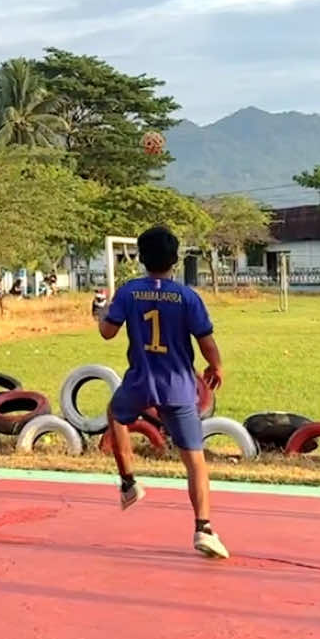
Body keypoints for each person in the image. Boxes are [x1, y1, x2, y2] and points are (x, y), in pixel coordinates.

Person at [98, 225, 228, 560]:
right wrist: (216, 367)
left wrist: (100, 312)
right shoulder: (187, 297)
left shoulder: (128, 292)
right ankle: (204, 528)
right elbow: (206, 341)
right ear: (175, 259)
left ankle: (129, 484)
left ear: (141, 258)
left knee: (116, 414)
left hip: (141, 380)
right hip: (179, 385)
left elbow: (108, 333)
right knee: (194, 460)